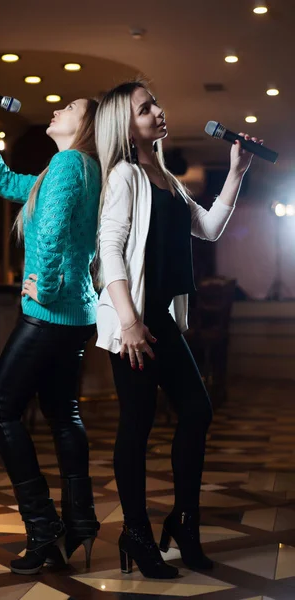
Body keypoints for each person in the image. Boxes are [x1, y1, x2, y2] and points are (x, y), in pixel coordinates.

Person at [95, 80, 261, 579]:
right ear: (126, 125)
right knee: (138, 425)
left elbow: (209, 229)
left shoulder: (166, 177)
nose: (158, 112)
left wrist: (235, 173)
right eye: (146, 109)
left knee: (197, 411)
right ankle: (136, 532)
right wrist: (128, 322)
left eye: (155, 104)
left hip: (160, 318)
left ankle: (185, 522)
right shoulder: (125, 174)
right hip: (133, 323)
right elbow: (109, 251)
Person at [0, 87, 101, 574]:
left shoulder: (70, 165)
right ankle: (79, 521)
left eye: (70, 107)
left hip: (50, 313)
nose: (58, 108)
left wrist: (43, 288)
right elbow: (5, 182)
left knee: (0, 410)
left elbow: (49, 234)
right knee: (62, 413)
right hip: (76, 315)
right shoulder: (70, 169)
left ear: (84, 127)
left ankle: (44, 530)